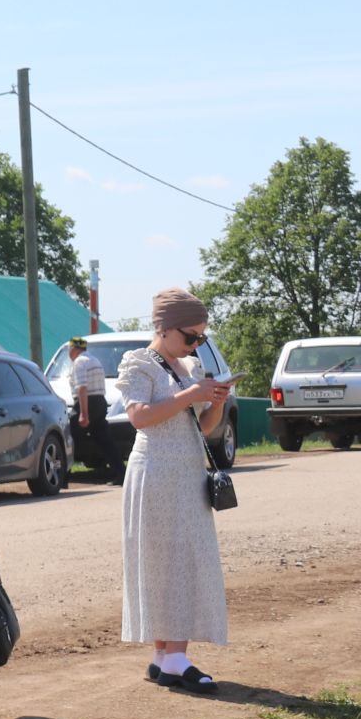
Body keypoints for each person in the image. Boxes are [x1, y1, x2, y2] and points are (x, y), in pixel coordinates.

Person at [118, 288, 233, 692]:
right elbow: (139, 417)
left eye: (201, 338)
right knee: (165, 561)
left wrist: (214, 401)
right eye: (190, 337)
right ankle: (174, 660)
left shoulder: (185, 367)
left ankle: (165, 656)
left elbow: (200, 429)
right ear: (164, 328)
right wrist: (193, 393)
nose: (195, 344)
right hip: (156, 474)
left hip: (186, 472)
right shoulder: (138, 362)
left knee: (182, 559)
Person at [69, 337, 123, 485]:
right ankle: (121, 474)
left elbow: (82, 387)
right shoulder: (95, 360)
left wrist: (83, 413)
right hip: (100, 402)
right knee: (106, 441)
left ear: (73, 349)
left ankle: (63, 478)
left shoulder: (79, 362)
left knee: (70, 439)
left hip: (86, 403)